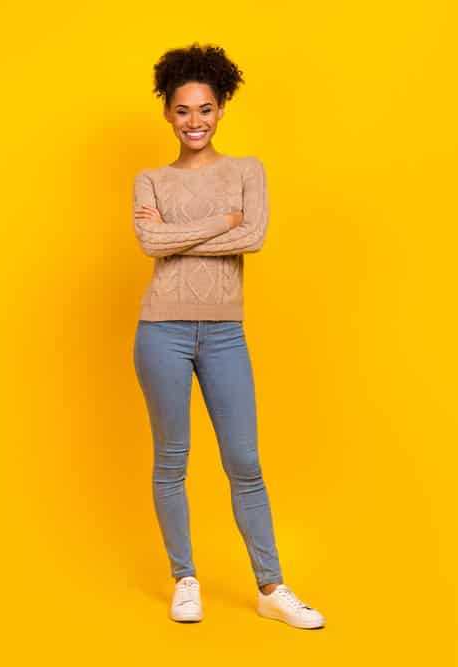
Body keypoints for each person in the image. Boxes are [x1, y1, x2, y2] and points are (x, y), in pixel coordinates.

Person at [131, 42, 326, 630]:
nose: (195, 121)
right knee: (172, 460)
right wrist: (222, 221)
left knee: (244, 460)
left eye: (206, 109)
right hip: (160, 330)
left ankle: (271, 586)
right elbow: (150, 245)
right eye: (184, 110)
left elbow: (255, 236)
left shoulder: (247, 171)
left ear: (222, 110)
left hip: (223, 335)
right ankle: (184, 578)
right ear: (168, 112)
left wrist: (180, 233)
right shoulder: (150, 179)